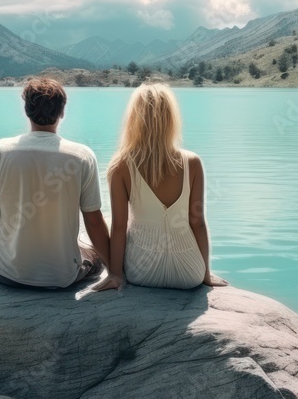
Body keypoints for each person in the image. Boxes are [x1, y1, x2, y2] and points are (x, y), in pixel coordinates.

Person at [0, 77, 112, 289]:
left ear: (26, 111)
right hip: (63, 276)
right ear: (62, 112)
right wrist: (114, 271)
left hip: (7, 273)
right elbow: (93, 221)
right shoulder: (82, 156)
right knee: (96, 244)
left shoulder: (0, 151)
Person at [94, 83, 227, 291]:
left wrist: (116, 275)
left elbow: (119, 228)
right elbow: (198, 222)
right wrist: (205, 274)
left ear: (134, 120)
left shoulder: (120, 166)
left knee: (113, 220)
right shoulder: (192, 162)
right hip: (189, 273)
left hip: (141, 271)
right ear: (170, 120)